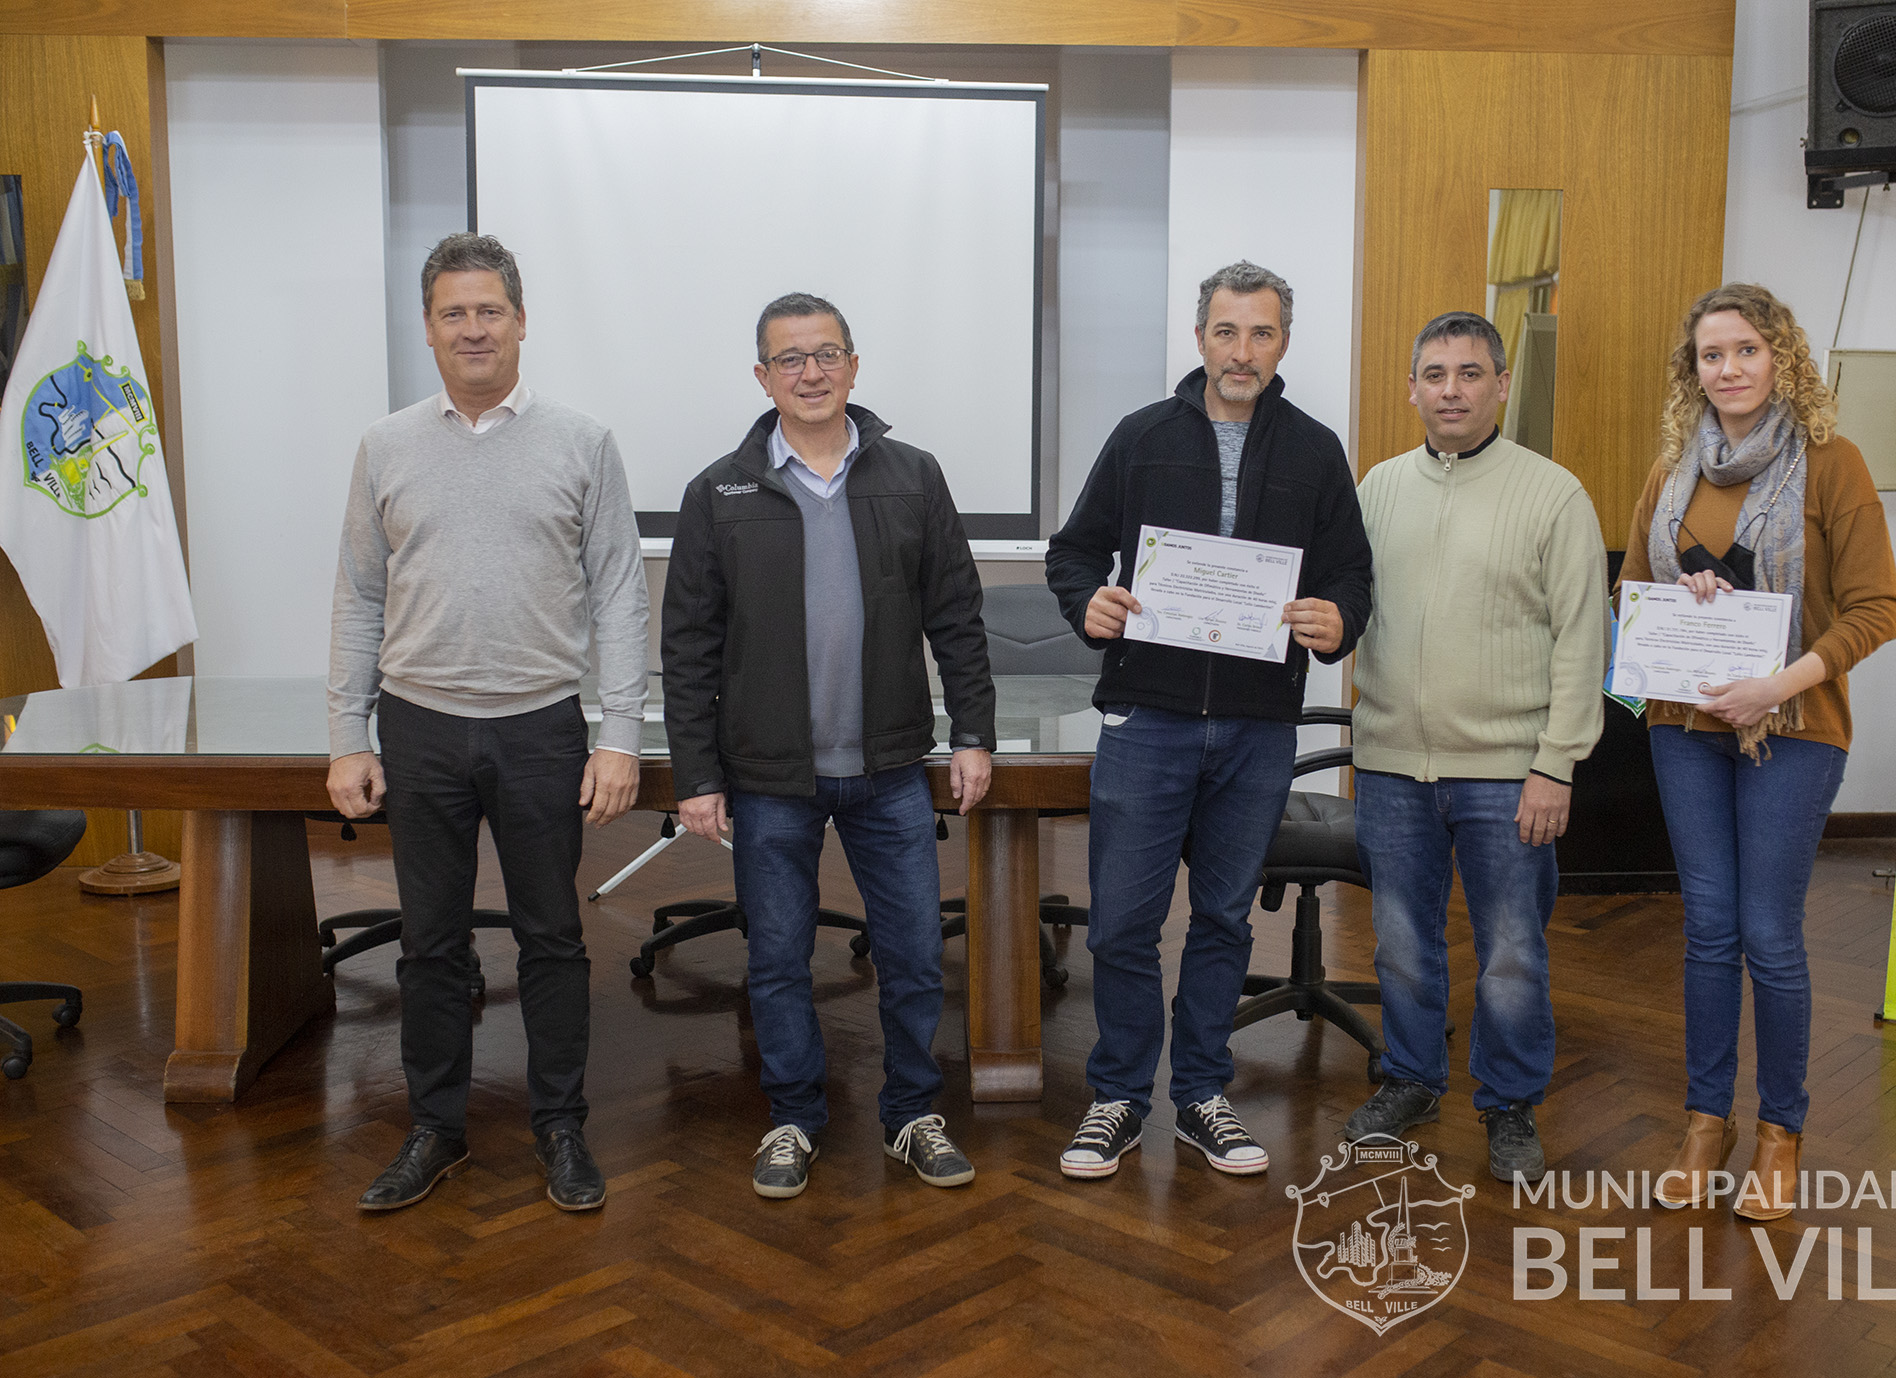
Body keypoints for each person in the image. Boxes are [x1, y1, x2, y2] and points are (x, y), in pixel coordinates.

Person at [328, 232, 648, 1213]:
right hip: (419, 727)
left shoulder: (583, 442)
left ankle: (561, 1127)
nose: (473, 328)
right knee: (430, 944)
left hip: (540, 727)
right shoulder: (385, 446)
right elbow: (358, 595)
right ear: (428, 329)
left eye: (489, 310)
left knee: (553, 937)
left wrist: (620, 732)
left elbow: (620, 593)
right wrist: (348, 735)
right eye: (453, 313)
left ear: (520, 322)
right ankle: (436, 1128)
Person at [662, 292, 996, 1200]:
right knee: (777, 960)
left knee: (914, 955)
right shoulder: (718, 491)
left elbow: (957, 617)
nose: (810, 373)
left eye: (826, 355)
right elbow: (687, 649)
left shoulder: (913, 475)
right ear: (762, 376)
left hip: (891, 771)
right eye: (789, 359)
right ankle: (795, 1118)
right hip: (769, 777)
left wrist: (971, 734)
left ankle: (911, 1113)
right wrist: (696, 774)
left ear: (853, 365)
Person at [1045, 261, 1372, 1180]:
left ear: (1282, 343)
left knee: (1224, 921)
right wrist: (1088, 603)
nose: (1241, 351)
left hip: (1257, 728)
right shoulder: (1142, 436)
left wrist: (1338, 618)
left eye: (1260, 333)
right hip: (1146, 719)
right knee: (1121, 925)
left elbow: (1350, 574)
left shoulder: (1314, 450)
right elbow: (1073, 553)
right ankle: (1118, 1096)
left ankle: (1199, 1096)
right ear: (1199, 339)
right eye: (1225, 332)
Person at [1624, 284, 1896, 1219]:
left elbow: (1877, 608)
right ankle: (1706, 1121)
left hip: (1794, 728)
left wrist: (1776, 684)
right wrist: (1679, 601)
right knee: (1707, 930)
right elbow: (1632, 591)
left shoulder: (1830, 464)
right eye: (1711, 355)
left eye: (1745, 349)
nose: (1729, 368)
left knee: (1768, 935)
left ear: (1780, 358)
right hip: (1682, 727)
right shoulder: (1671, 471)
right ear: (1692, 370)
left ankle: (1781, 1131)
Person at [1341, 310, 1607, 1185]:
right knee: (1399, 943)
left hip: (1509, 773)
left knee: (1511, 954)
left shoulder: (1552, 494)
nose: (1450, 390)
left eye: (1468, 373)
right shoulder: (1377, 488)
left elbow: (1582, 640)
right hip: (1391, 763)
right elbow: (1349, 606)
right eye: (1434, 374)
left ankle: (1509, 1103)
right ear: (1410, 388)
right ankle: (1411, 1080)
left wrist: (1555, 763)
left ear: (1499, 384)